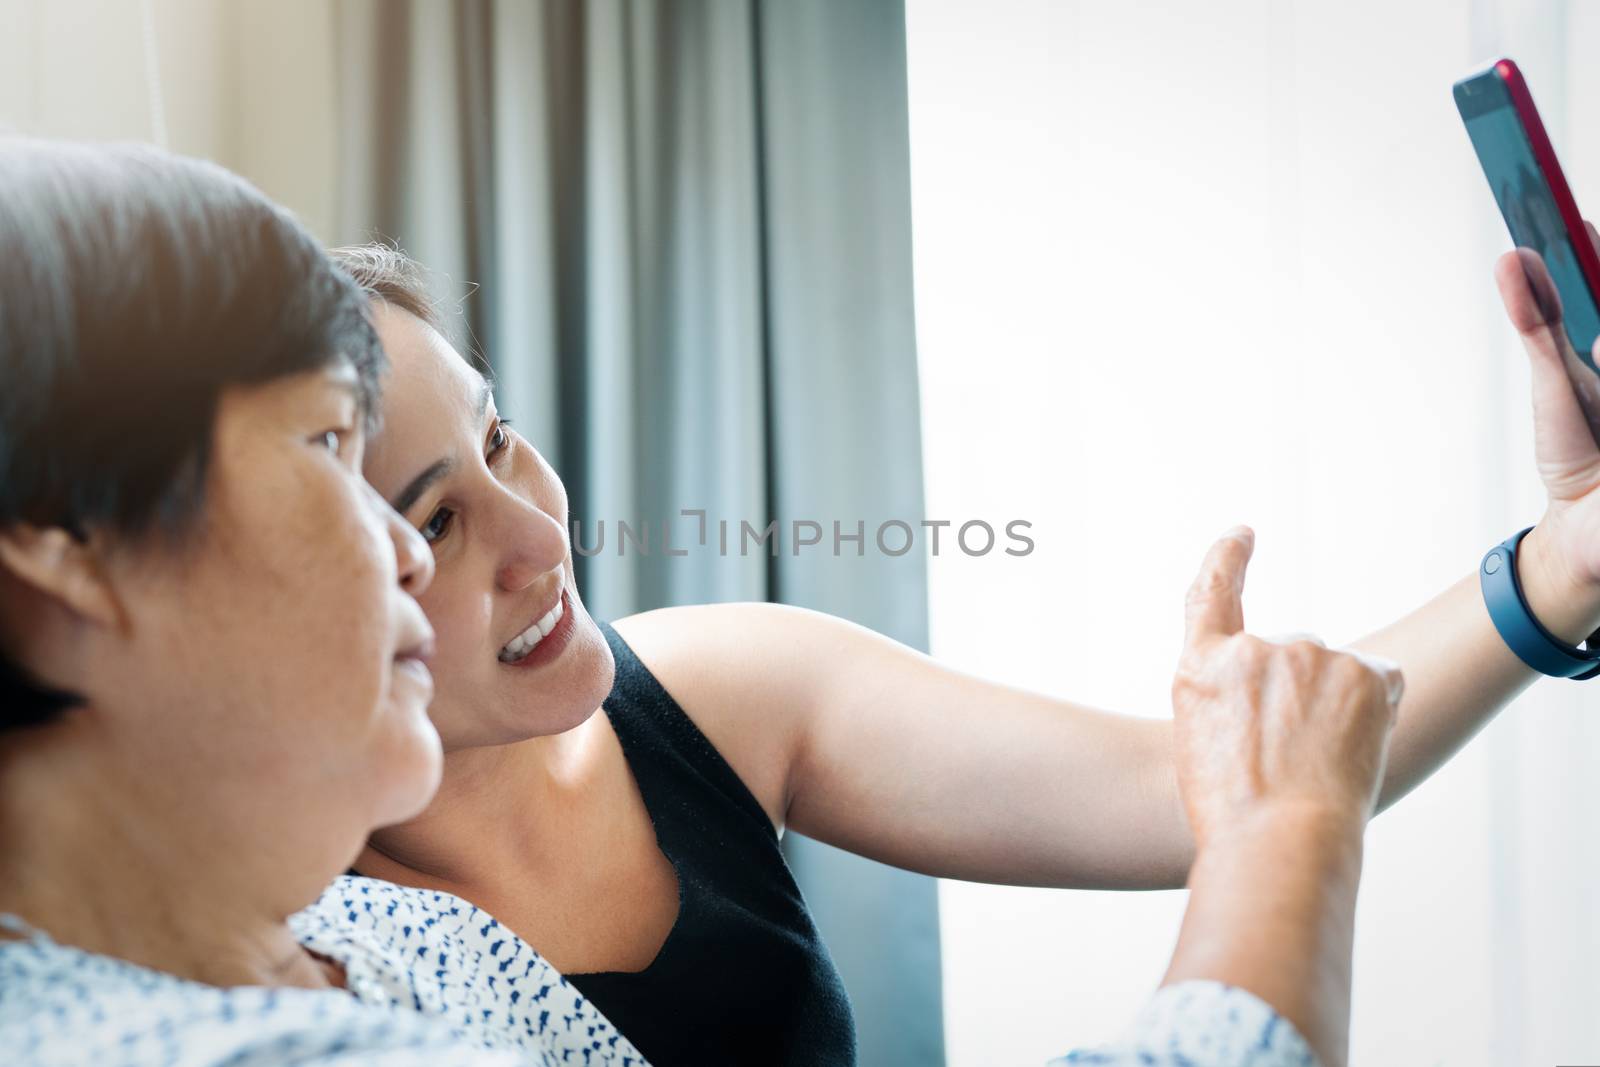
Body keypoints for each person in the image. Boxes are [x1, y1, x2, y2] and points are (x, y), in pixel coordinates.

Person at [333, 229, 1600, 1067]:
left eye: (502, 438)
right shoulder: (323, 965)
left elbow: (1197, 787)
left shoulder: (716, 689)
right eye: (438, 518)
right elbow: (1265, 806)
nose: (540, 534)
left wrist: (1555, 573)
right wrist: (1281, 832)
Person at [0, 140, 641, 1067]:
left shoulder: (426, 937)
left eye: (497, 436)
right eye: (326, 439)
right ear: (64, 525)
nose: (398, 560)